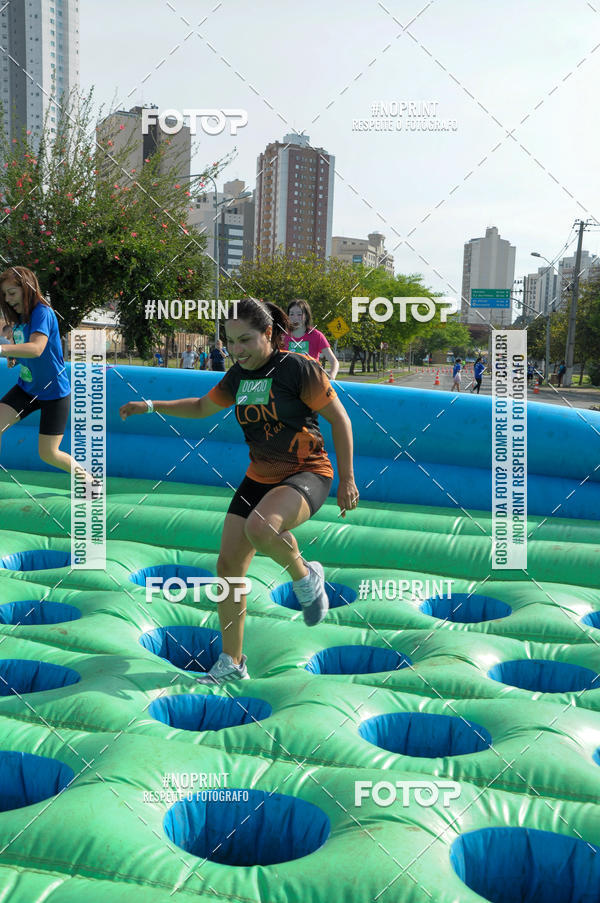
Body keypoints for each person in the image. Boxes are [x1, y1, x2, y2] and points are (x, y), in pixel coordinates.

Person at [119, 299, 358, 685]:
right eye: (231, 341)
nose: (238, 349)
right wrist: (151, 404)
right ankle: (232, 663)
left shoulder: (298, 369)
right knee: (228, 568)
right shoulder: (239, 376)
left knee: (262, 528)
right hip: (258, 477)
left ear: (268, 333)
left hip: (307, 472)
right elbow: (200, 406)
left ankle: (305, 575)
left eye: (245, 339)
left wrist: (347, 479)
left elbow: (340, 420)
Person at [0, 266, 93, 488]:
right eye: (4, 295)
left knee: (49, 453)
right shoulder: (20, 319)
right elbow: (24, 351)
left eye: (12, 292)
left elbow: (37, 348)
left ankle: (88, 479)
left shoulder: (43, 312)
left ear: (27, 288)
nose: (8, 299)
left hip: (54, 393)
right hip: (26, 389)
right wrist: (13, 355)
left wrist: (3, 350)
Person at [283, 299, 339, 379]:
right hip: (289, 384)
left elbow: (334, 362)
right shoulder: (282, 336)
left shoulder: (317, 335)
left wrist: (332, 377)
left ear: (306, 316)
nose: (295, 318)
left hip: (311, 383)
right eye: (291, 314)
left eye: (299, 314)